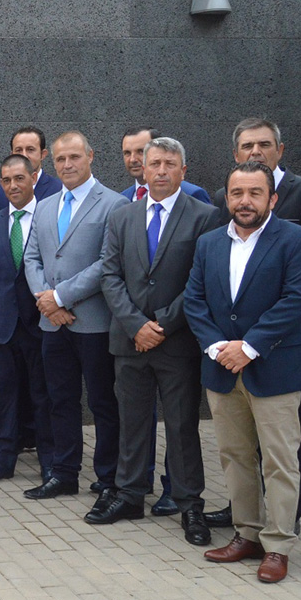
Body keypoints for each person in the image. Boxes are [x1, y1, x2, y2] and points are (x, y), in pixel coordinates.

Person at [205, 118, 301, 530]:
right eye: (247, 145)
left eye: (264, 144)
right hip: (229, 351)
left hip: (287, 343)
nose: (256, 151)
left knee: (287, 441)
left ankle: (289, 517)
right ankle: (243, 512)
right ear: (236, 154)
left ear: (280, 150)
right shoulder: (223, 198)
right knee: (241, 443)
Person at [186, 161, 301, 583]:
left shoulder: (298, 239)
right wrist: (217, 347)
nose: (244, 201)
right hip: (222, 368)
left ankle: (278, 545)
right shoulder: (208, 243)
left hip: (275, 369)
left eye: (254, 193)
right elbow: (194, 300)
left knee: (280, 461)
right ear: (226, 197)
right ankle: (246, 534)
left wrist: (251, 346)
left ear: (272, 198)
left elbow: (296, 300)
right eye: (237, 193)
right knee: (235, 457)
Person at [92, 137, 219, 546]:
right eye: (155, 164)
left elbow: (200, 281)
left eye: (170, 164)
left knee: (182, 425)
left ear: (184, 170)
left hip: (176, 342)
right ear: (142, 171)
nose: (161, 170)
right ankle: (129, 495)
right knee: (131, 421)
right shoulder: (122, 217)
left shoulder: (205, 216)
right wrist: (135, 325)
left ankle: (189, 504)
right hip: (129, 341)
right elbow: (110, 276)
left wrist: (161, 325)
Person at [21, 131, 127, 504]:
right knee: (59, 400)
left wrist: (61, 296)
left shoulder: (113, 204)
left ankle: (108, 477)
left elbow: (107, 264)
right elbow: (32, 258)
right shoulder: (46, 205)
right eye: (61, 159)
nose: (67, 165)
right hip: (52, 323)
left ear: (91, 156)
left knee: (102, 402)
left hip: (94, 323)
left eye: (74, 157)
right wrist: (47, 301)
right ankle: (63, 473)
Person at [0, 155, 53, 485]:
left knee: (43, 396)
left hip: (42, 324)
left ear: (33, 178)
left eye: (19, 178)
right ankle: (3, 460)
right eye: (6, 180)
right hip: (1, 328)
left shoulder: (49, 218)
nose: (13, 186)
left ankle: (50, 461)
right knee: (3, 395)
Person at [119, 126, 211, 204]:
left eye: (141, 151)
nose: (133, 159)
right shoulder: (122, 199)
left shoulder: (192, 194)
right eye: (127, 153)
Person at [0, 126, 61, 213]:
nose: (24, 155)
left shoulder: (59, 189)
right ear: (12, 154)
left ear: (43, 154)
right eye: (19, 150)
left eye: (30, 150)